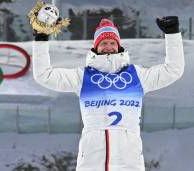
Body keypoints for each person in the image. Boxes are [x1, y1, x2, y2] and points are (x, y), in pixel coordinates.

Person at [32, 16, 184, 171]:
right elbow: (44, 75)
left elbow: (173, 70)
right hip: (92, 158)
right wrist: (41, 39)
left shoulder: (137, 76)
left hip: (129, 158)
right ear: (95, 47)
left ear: (118, 46)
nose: (109, 47)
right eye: (103, 43)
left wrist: (172, 35)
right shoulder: (83, 77)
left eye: (112, 43)